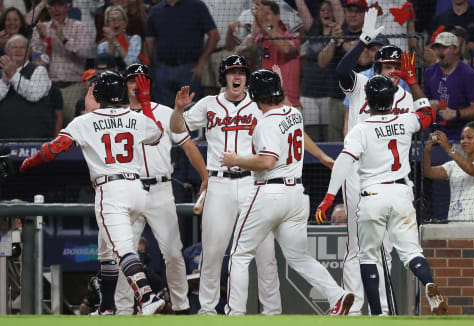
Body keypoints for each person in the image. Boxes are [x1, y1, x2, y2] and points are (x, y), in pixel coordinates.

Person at [19, 71, 166, 316]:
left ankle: (147, 295)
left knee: (122, 250)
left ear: (96, 94)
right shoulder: (135, 116)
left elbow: (53, 150)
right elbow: (157, 135)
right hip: (137, 189)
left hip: (111, 191)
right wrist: (146, 105)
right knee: (106, 251)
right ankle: (106, 307)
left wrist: (26, 163)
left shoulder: (84, 121)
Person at [316, 54, 448, 315]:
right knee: (411, 253)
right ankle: (429, 282)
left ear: (368, 100)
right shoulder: (405, 121)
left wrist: (329, 197)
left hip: (373, 195)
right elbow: (429, 113)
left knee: (367, 257)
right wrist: (412, 79)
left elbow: (343, 163)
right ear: (392, 99)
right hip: (401, 192)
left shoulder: (361, 129)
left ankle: (377, 313)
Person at [220, 68, 354, 316]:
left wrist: (235, 159)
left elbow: (267, 161)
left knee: (239, 255)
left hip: (269, 192)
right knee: (299, 257)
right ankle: (337, 295)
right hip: (296, 195)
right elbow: (289, 116)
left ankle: (234, 314)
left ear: (254, 95)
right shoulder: (293, 112)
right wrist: (323, 155)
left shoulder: (266, 124)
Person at [170, 54, 282, 316]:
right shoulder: (209, 104)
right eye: (232, 72)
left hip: (253, 182)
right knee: (212, 251)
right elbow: (177, 129)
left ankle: (273, 312)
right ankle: (208, 311)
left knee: (265, 251)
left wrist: (279, 90)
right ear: (224, 77)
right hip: (219, 183)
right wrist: (178, 109)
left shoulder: (259, 105)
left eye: (242, 72)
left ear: (247, 78)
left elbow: (285, 118)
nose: (237, 76)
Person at [332, 8, 414, 315]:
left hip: (387, 174)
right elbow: (341, 72)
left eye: (396, 65)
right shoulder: (361, 82)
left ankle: (382, 312)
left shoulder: (403, 92)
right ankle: (355, 311)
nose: (391, 69)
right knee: (357, 241)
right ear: (375, 62)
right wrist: (361, 41)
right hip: (357, 170)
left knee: (388, 245)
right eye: (385, 64)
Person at [113, 63, 208, 315]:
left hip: (160, 189)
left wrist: (206, 177)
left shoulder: (165, 113)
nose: (136, 84)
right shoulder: (116, 116)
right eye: (132, 80)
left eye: (141, 79)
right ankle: (123, 311)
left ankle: (181, 308)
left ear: (149, 83)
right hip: (129, 188)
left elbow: (188, 146)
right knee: (125, 255)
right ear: (125, 84)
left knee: (173, 253)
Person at [145, 0, 219, 107]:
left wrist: (201, 63)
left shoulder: (197, 6)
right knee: (164, 113)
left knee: (190, 113)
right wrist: (147, 70)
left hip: (189, 70)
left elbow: (214, 35)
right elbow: (149, 42)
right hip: (162, 71)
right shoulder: (156, 10)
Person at [31, 0, 91, 126]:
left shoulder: (79, 27)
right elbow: (37, 62)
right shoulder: (41, 29)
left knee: (74, 127)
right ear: (48, 9)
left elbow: (85, 52)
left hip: (73, 86)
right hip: (49, 87)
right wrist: (43, 40)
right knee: (47, 126)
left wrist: (63, 38)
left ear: (67, 7)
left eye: (60, 5)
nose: (56, 9)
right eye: (52, 5)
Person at [317, 0, 370, 141]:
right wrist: (334, 41)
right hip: (336, 97)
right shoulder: (339, 32)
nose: (353, 15)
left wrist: (342, 42)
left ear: (365, 14)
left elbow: (364, 59)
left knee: (357, 140)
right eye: (350, 11)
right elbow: (322, 61)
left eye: (357, 11)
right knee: (334, 142)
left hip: (360, 100)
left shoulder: (368, 35)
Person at [295, 0, 344, 141]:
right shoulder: (313, 29)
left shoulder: (339, 31)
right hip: (309, 93)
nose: (326, 13)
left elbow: (337, 5)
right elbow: (301, 6)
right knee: (312, 136)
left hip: (328, 93)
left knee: (328, 136)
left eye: (329, 10)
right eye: (323, 10)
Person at [424, 31, 474, 141]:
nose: (440, 51)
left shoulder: (469, 75)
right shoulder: (429, 72)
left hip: (462, 136)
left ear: (456, 49)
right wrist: (428, 105)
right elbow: (425, 100)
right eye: (437, 48)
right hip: (436, 133)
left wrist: (456, 113)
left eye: (444, 47)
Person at [424, 121, 474, 223]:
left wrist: (448, 148)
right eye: (462, 138)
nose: (464, 141)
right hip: (454, 222)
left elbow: (471, 169)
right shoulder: (453, 165)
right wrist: (427, 150)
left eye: (469, 137)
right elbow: (428, 172)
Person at [0, 34, 53, 139]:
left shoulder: (39, 70)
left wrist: (13, 75)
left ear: (29, 52)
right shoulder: (1, 74)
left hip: (33, 138)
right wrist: (4, 82)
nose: (18, 50)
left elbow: (34, 95)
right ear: (7, 51)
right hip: (4, 137)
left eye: (22, 47)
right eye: (14, 47)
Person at [251, 0, 301, 108]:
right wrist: (253, 33)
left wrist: (266, 26)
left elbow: (287, 50)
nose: (263, 18)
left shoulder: (292, 38)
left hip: (288, 105)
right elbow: (241, 57)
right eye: (261, 15)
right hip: (263, 104)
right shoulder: (258, 40)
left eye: (267, 14)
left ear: (278, 16)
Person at [97, 5, 142, 72]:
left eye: (119, 19)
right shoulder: (102, 46)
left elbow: (132, 64)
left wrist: (115, 42)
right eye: (112, 20)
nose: (116, 22)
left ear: (125, 23)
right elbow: (104, 70)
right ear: (107, 24)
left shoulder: (134, 40)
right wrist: (111, 45)